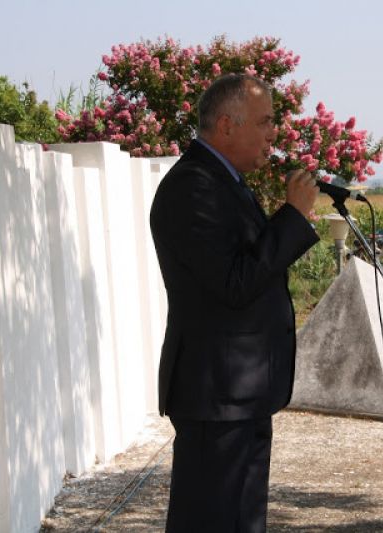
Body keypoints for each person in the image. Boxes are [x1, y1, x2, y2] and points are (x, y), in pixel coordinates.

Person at [149, 73, 320, 532]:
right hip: (217, 396)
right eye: (265, 122)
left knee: (240, 520)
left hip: (239, 395)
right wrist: (292, 216)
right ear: (227, 124)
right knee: (211, 521)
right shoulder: (193, 186)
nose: (273, 134)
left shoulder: (226, 182)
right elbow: (234, 282)